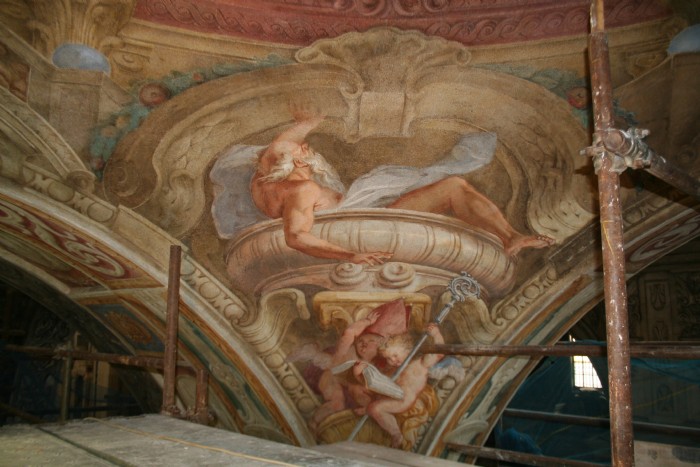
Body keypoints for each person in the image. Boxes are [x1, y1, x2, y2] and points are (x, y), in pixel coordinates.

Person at [250, 111, 554, 264]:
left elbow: (274, 152)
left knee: (449, 183)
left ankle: (511, 236)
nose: (307, 147)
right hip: (366, 223)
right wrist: (350, 255)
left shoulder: (269, 183)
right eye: (303, 148)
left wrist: (307, 123)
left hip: (366, 215)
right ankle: (510, 237)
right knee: (452, 186)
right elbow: (296, 236)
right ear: (298, 158)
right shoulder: (302, 189)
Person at [355, 323, 444, 448]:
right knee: (368, 392)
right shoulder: (394, 368)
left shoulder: (420, 363)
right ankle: (370, 409)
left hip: (403, 399)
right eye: (388, 358)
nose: (393, 360)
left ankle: (396, 433)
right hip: (392, 394)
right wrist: (359, 374)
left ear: (408, 349)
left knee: (375, 408)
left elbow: (439, 352)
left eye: (395, 355)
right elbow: (378, 384)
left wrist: (436, 334)